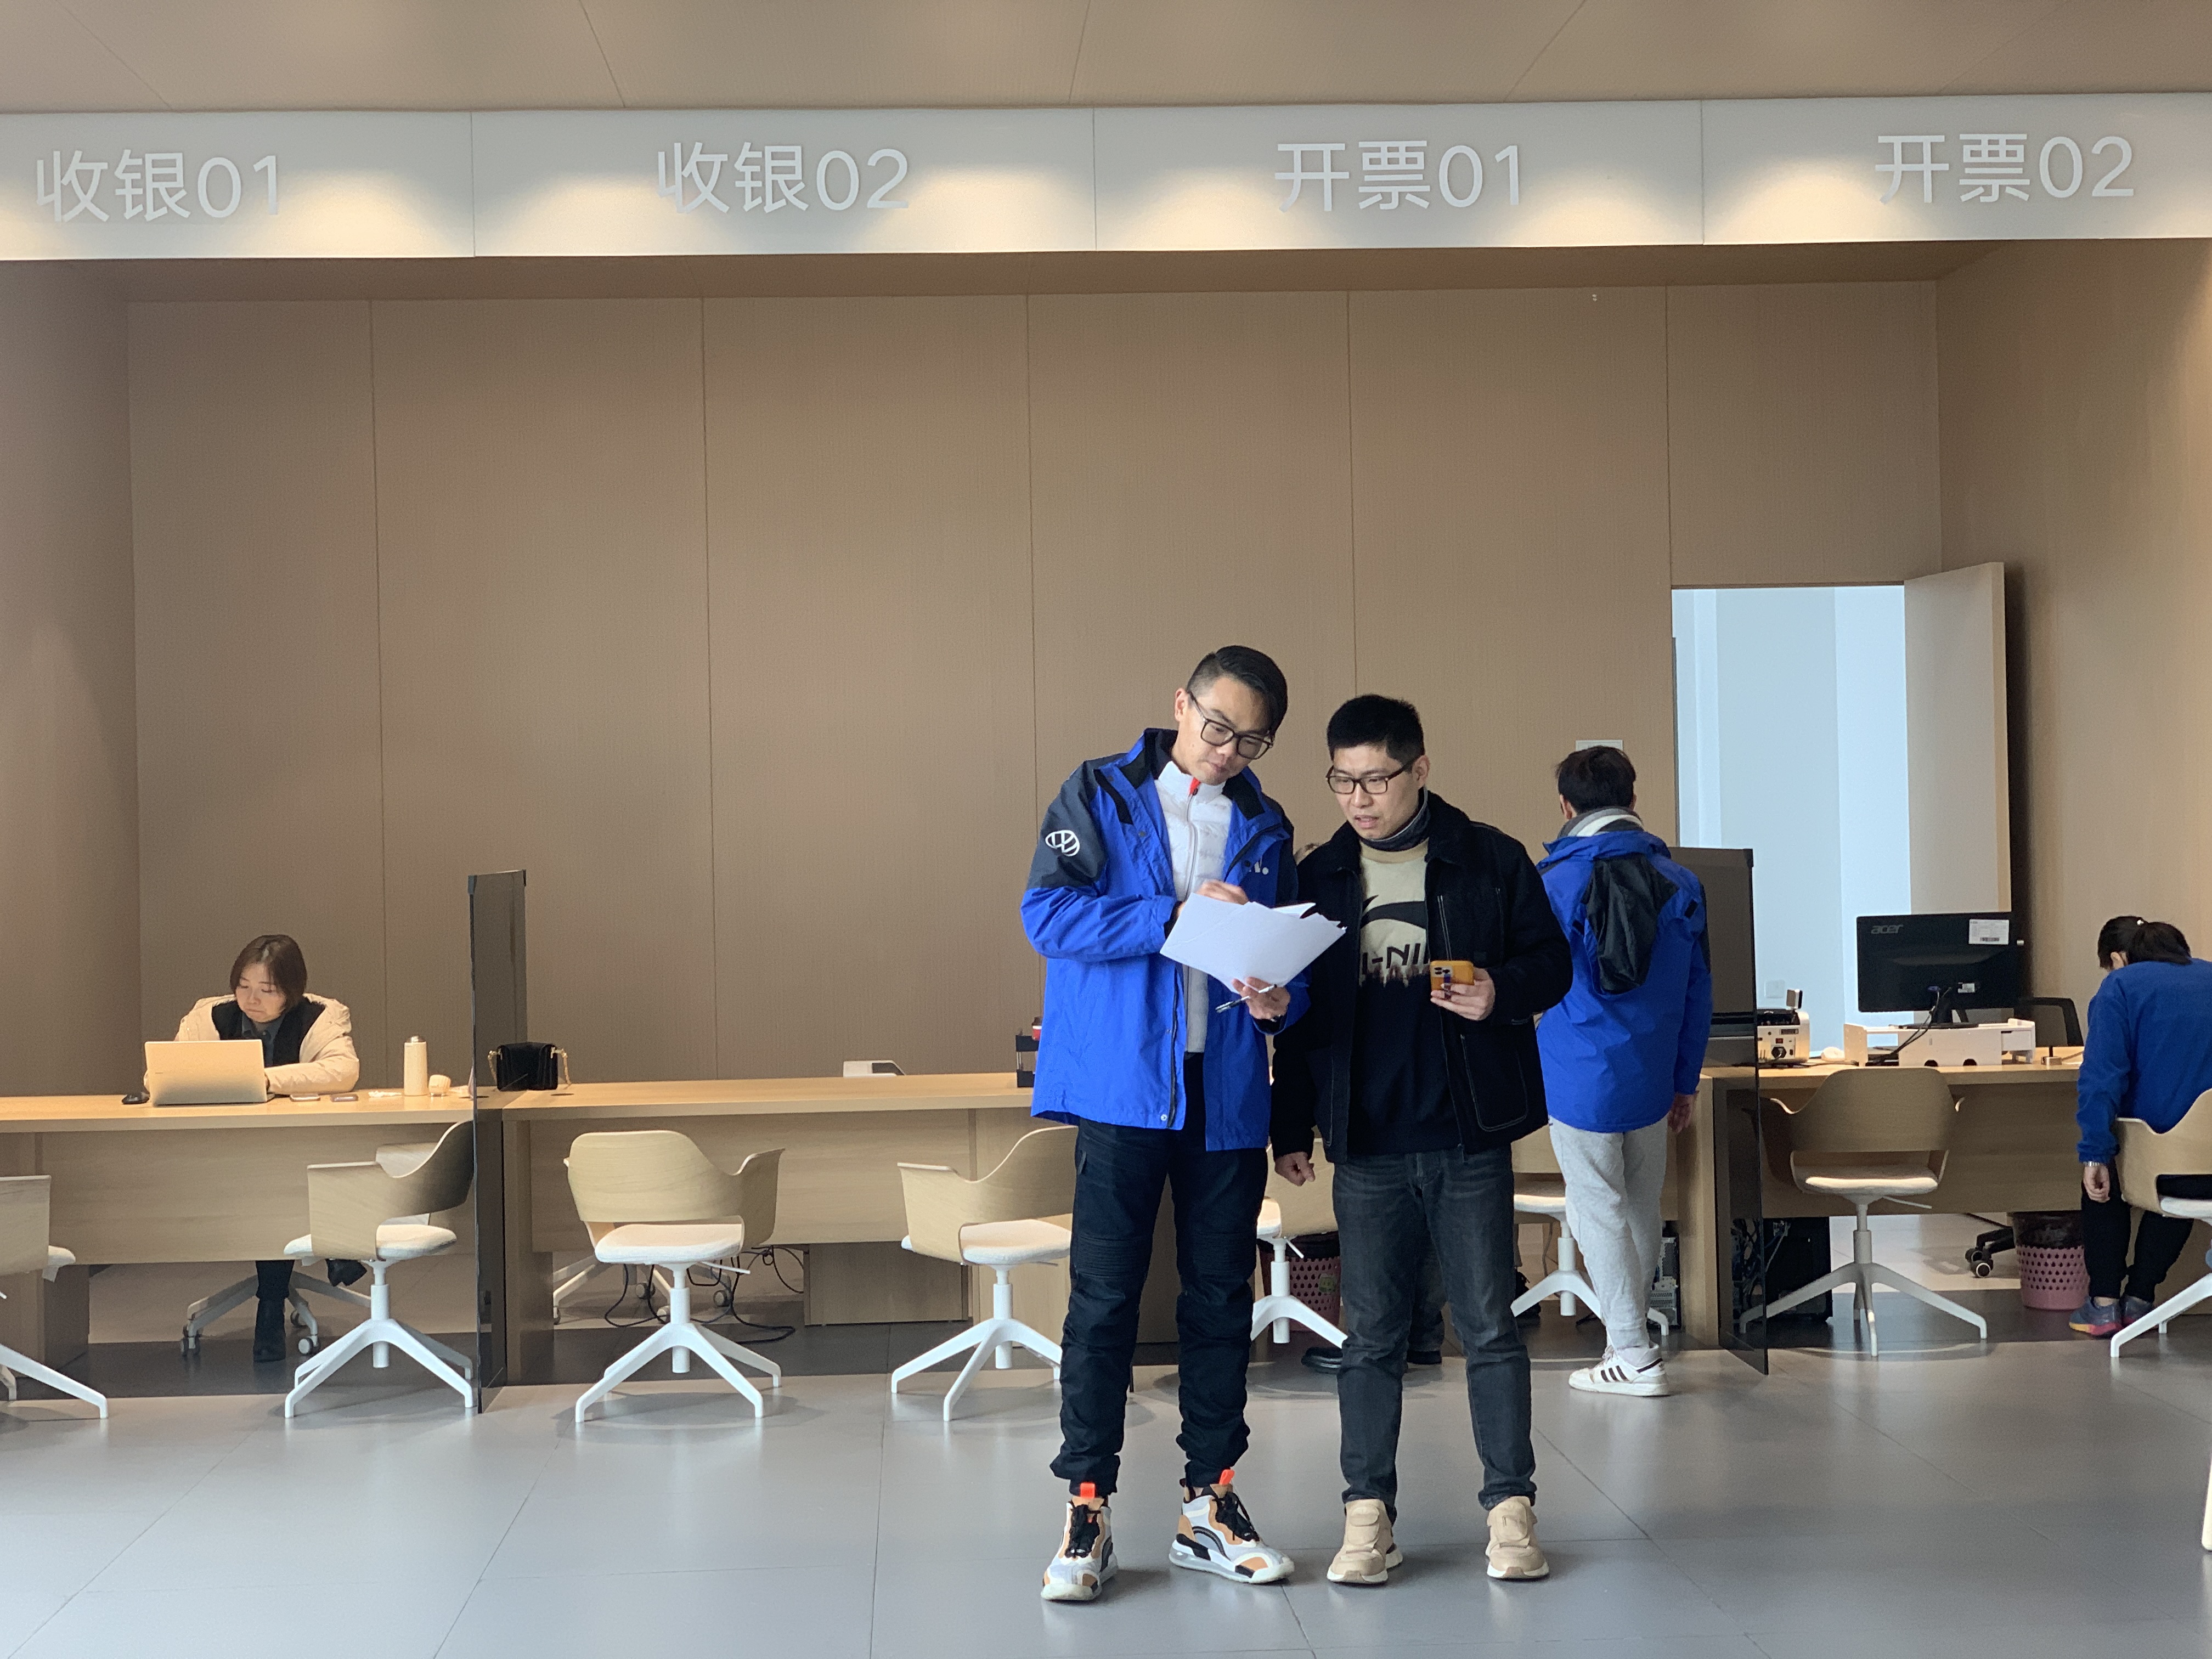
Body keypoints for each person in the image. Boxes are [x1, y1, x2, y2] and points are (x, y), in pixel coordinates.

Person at [1023, 646, 1307, 1604]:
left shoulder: (1265, 822)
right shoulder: (1099, 793)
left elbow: (1287, 961)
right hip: (1122, 1089)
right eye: (1217, 726)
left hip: (1224, 1091)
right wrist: (1175, 915)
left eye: (1252, 739)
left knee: (1221, 1300)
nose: (1228, 750)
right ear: (1181, 704)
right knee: (1103, 1301)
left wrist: (1280, 998)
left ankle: (1208, 1504)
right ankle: (1087, 1507)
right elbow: (1048, 917)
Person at [1271, 694, 1570, 1588]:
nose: (1358, 799)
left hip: (1465, 1132)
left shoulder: (1488, 858)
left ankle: (1510, 1510)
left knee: (1488, 1326)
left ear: (1419, 769)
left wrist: (1499, 990)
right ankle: (1367, 1515)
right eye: (1342, 780)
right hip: (1365, 1142)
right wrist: (1290, 1124)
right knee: (1369, 1338)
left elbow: (1553, 964)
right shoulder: (1321, 873)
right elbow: (1298, 1016)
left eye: (1376, 779)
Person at [1533, 746, 1711, 1400]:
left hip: (1579, 1076)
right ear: (1633, 799)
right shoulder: (1683, 883)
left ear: (1566, 806)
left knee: (1597, 1208)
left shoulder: (1554, 884)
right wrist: (1685, 1081)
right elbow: (1699, 992)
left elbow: (1531, 983)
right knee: (1640, 1205)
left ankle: (1633, 1351)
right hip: (1653, 1077)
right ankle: (1626, 1341)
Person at [173, 934, 362, 1362]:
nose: (251, 1000)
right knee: (268, 1182)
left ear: (292, 992)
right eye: (243, 986)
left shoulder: (320, 1016)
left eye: (267, 990)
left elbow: (342, 1070)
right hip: (223, 1157)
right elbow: (168, 1072)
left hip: (293, 1154)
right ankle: (328, 1259)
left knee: (277, 1179)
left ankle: (271, 1304)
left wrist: (263, 1080)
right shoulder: (210, 1017)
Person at [2070, 916, 2212, 1337]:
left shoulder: (2122, 986)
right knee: (2188, 1163)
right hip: (2205, 1166)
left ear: (2122, 958)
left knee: (2105, 1179)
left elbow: (2102, 1078)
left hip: (2161, 1166)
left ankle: (2104, 1305)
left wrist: (2094, 1152)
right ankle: (2141, 1298)